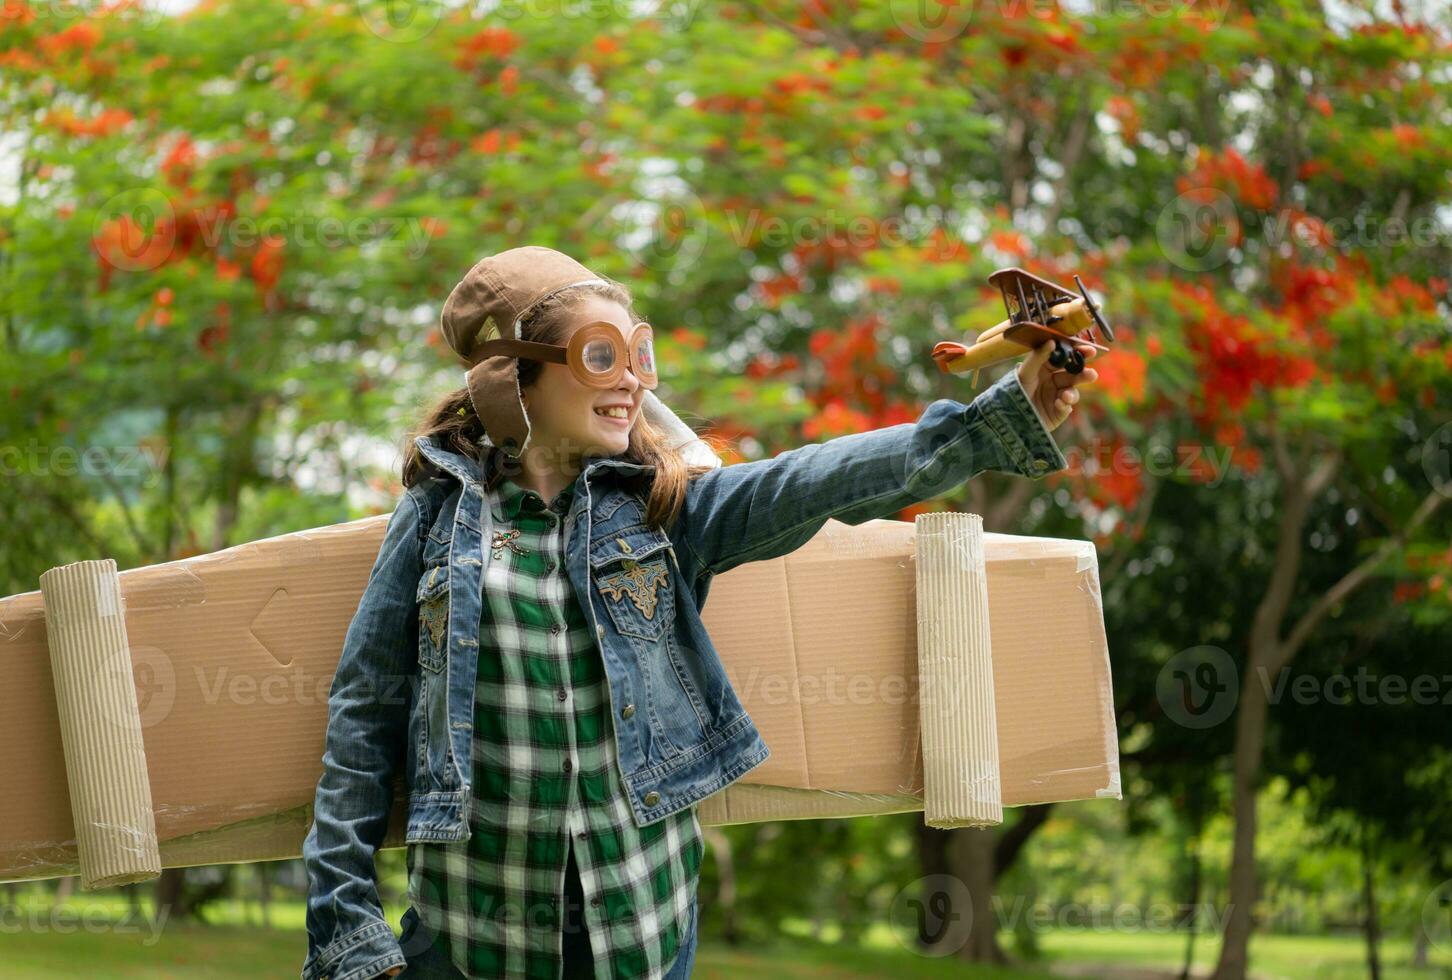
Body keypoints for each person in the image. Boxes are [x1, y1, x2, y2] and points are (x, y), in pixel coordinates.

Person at [301, 246, 1097, 980]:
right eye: (602, 356)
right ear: (517, 378)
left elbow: (815, 480)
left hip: (639, 936)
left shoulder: (664, 510)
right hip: (472, 939)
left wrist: (994, 420)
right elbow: (365, 709)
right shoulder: (437, 515)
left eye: (639, 354)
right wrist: (346, 925)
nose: (636, 381)